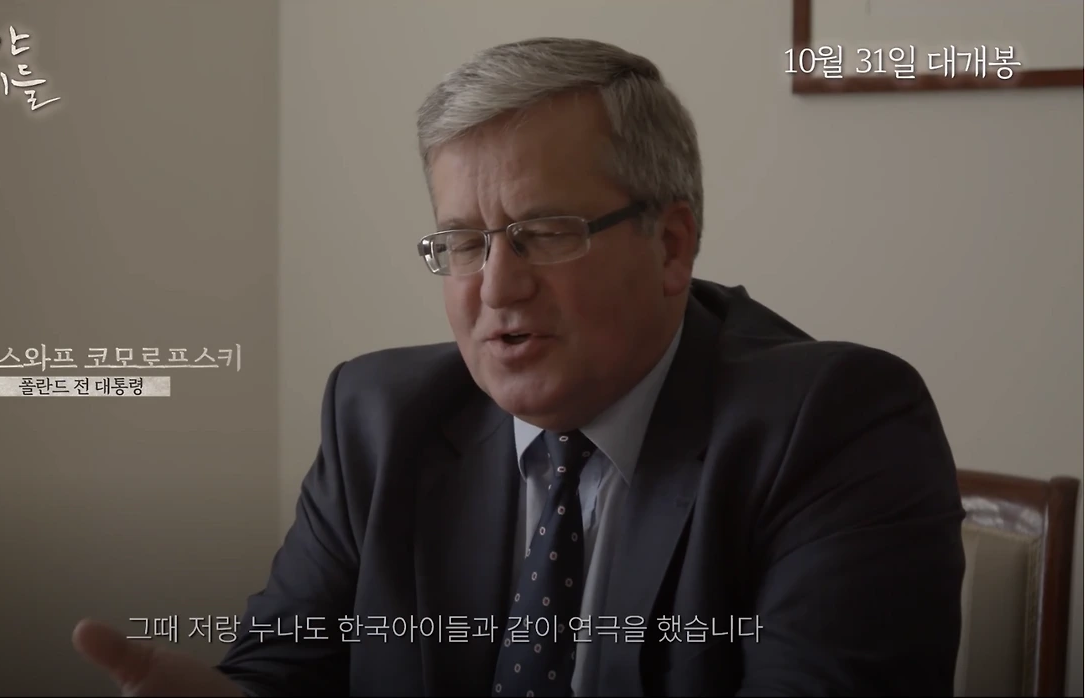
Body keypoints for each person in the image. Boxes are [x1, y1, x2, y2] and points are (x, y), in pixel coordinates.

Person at [73, 37, 966, 697]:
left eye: (544, 233)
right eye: (464, 242)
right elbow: (284, 671)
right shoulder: (378, 420)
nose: (498, 287)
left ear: (671, 245)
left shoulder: (838, 425)